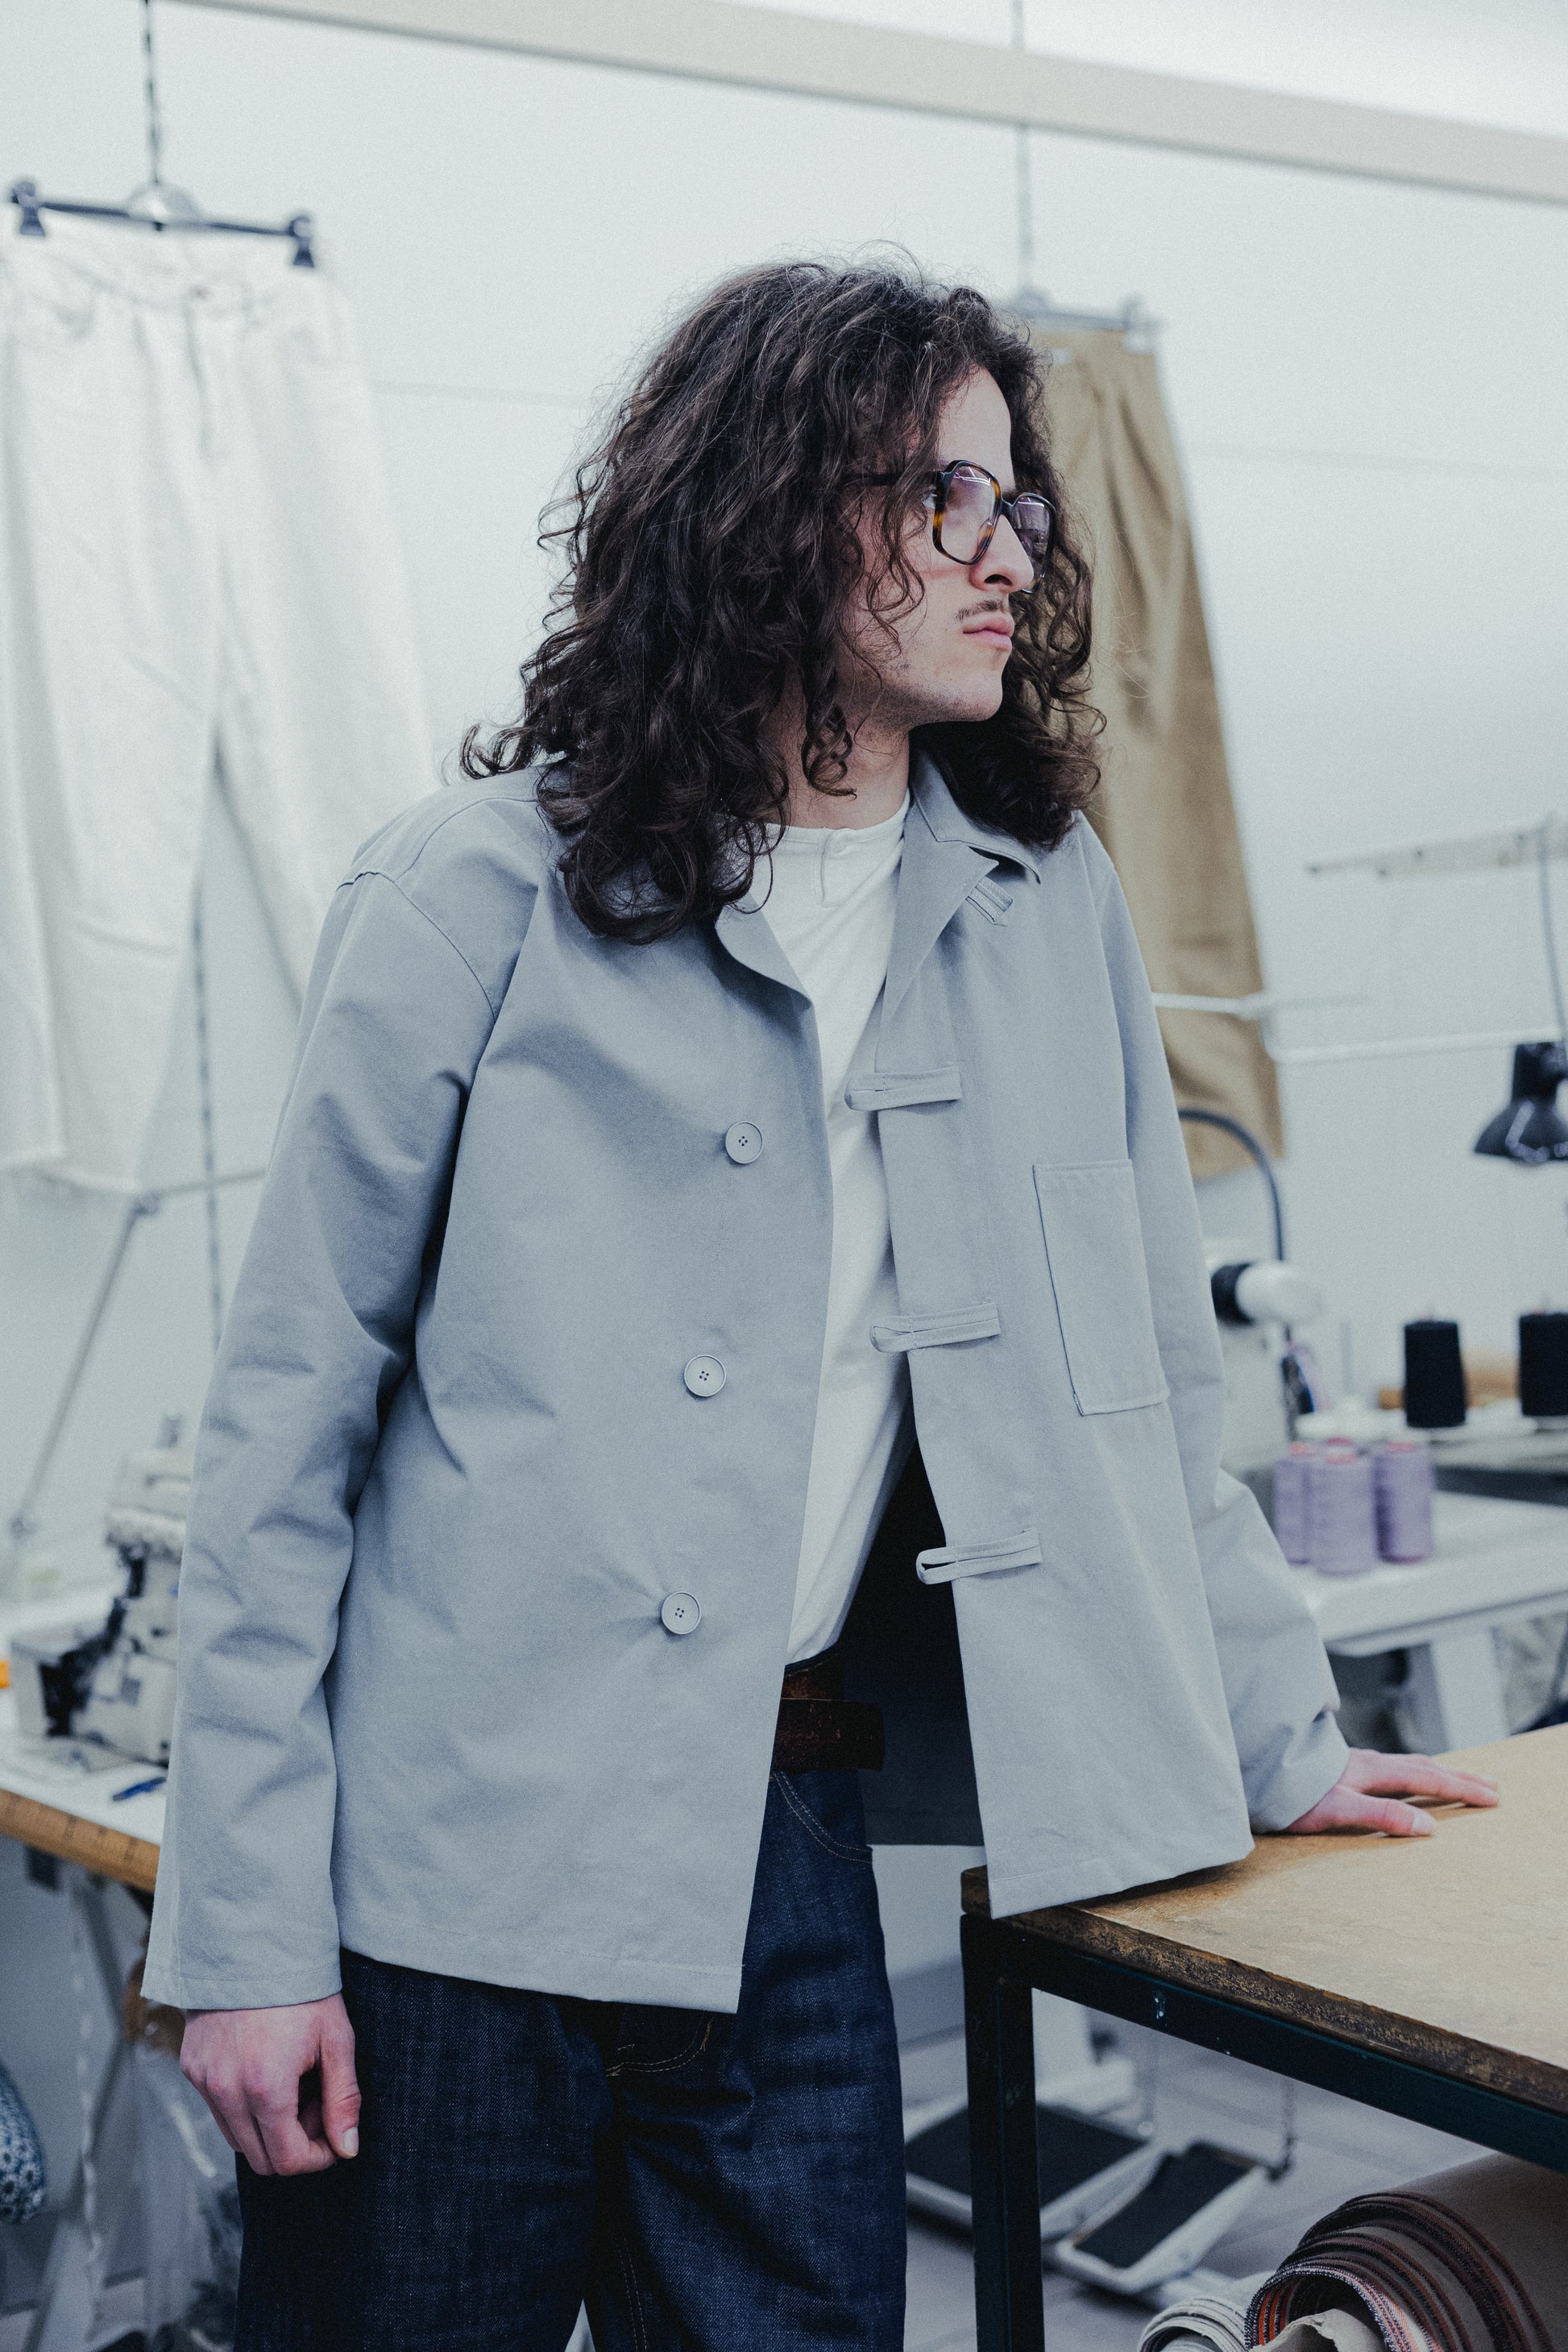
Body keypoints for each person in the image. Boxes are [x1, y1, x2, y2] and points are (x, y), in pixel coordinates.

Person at [143, 263, 1496, 2350]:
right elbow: (283, 1429)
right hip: (444, 1876)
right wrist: (244, 1933)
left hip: (778, 1846)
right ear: (770, 504)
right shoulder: (470, 893)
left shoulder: (1040, 904)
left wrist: (1269, 1733)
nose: (1005, 552)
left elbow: (1144, 1372)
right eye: (944, 496)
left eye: (1015, 502)